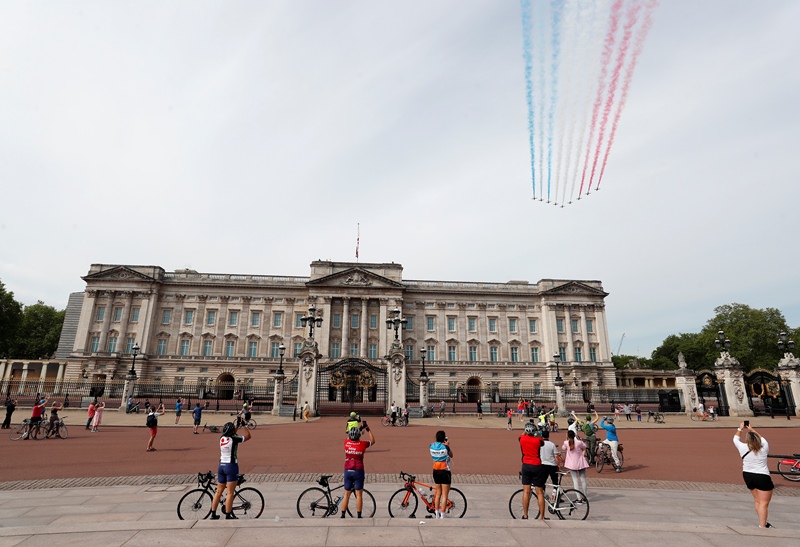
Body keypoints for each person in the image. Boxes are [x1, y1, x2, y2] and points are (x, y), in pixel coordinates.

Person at [734, 422, 774, 528]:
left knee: (757, 500)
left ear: (747, 440)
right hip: (762, 476)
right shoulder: (764, 447)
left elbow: (735, 439)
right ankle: (762, 525)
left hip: (747, 475)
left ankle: (762, 521)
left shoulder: (742, 447)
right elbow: (763, 439)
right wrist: (752, 429)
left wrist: (741, 428)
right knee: (764, 503)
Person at [210, 421, 251, 519]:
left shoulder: (222, 438)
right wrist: (244, 426)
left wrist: (236, 426)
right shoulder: (234, 439)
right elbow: (248, 436)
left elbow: (231, 434)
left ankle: (213, 513)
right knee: (230, 492)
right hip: (231, 466)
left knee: (218, 492)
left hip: (221, 465)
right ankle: (228, 514)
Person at [341, 421, 376, 518]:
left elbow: (349, 438)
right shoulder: (362, 444)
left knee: (346, 494)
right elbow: (373, 441)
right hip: (358, 470)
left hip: (348, 469)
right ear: (358, 436)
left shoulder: (346, 443)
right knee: (359, 494)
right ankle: (359, 515)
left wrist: (359, 429)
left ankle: (343, 514)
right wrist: (367, 429)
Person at [518, 421, 545, 520]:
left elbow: (521, 435)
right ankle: (542, 516)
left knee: (526, 492)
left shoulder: (522, 439)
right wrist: (536, 432)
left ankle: (525, 515)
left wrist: (525, 430)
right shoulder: (537, 441)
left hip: (526, 465)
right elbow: (542, 441)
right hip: (537, 465)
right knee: (540, 492)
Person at [430, 430, 453, 518]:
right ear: (444, 438)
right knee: (445, 495)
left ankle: (436, 513)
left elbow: (433, 443)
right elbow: (451, 455)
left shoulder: (431, 446)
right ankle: (442, 514)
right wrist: (447, 445)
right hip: (445, 471)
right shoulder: (445, 447)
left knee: (438, 493)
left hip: (435, 471)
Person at [562, 429, 589, 495]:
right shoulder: (579, 442)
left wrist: (566, 439)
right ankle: (584, 496)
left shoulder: (566, 443)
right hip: (581, 463)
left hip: (572, 464)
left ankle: (578, 497)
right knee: (583, 480)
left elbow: (563, 448)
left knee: (575, 481)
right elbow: (585, 446)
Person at [539, 430, 561, 503]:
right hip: (552, 465)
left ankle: (542, 495)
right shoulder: (552, 444)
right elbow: (556, 456)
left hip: (543, 464)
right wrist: (558, 465)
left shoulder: (540, 444)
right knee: (555, 482)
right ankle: (557, 497)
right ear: (548, 436)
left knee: (543, 481)